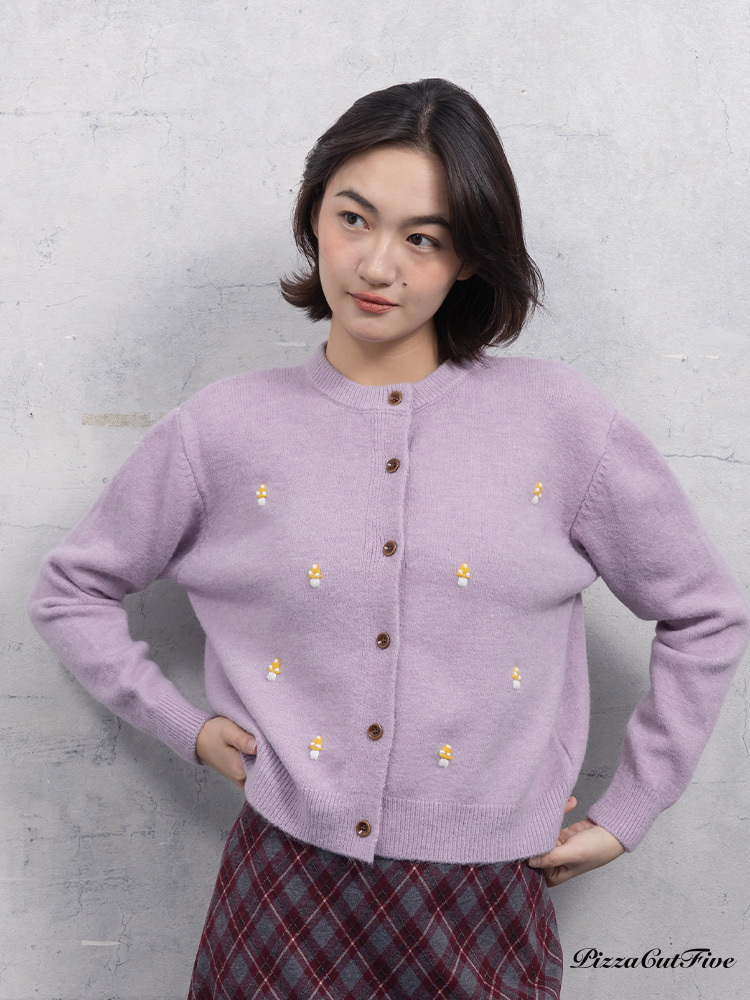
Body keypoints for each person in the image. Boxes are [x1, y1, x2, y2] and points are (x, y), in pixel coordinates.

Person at [26, 78, 750, 1000]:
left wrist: (633, 807)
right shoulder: (223, 431)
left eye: (424, 238)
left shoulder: (562, 423)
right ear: (312, 216)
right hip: (283, 886)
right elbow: (71, 590)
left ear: (470, 257)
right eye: (354, 219)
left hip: (488, 894)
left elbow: (705, 613)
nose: (377, 265)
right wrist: (189, 729)